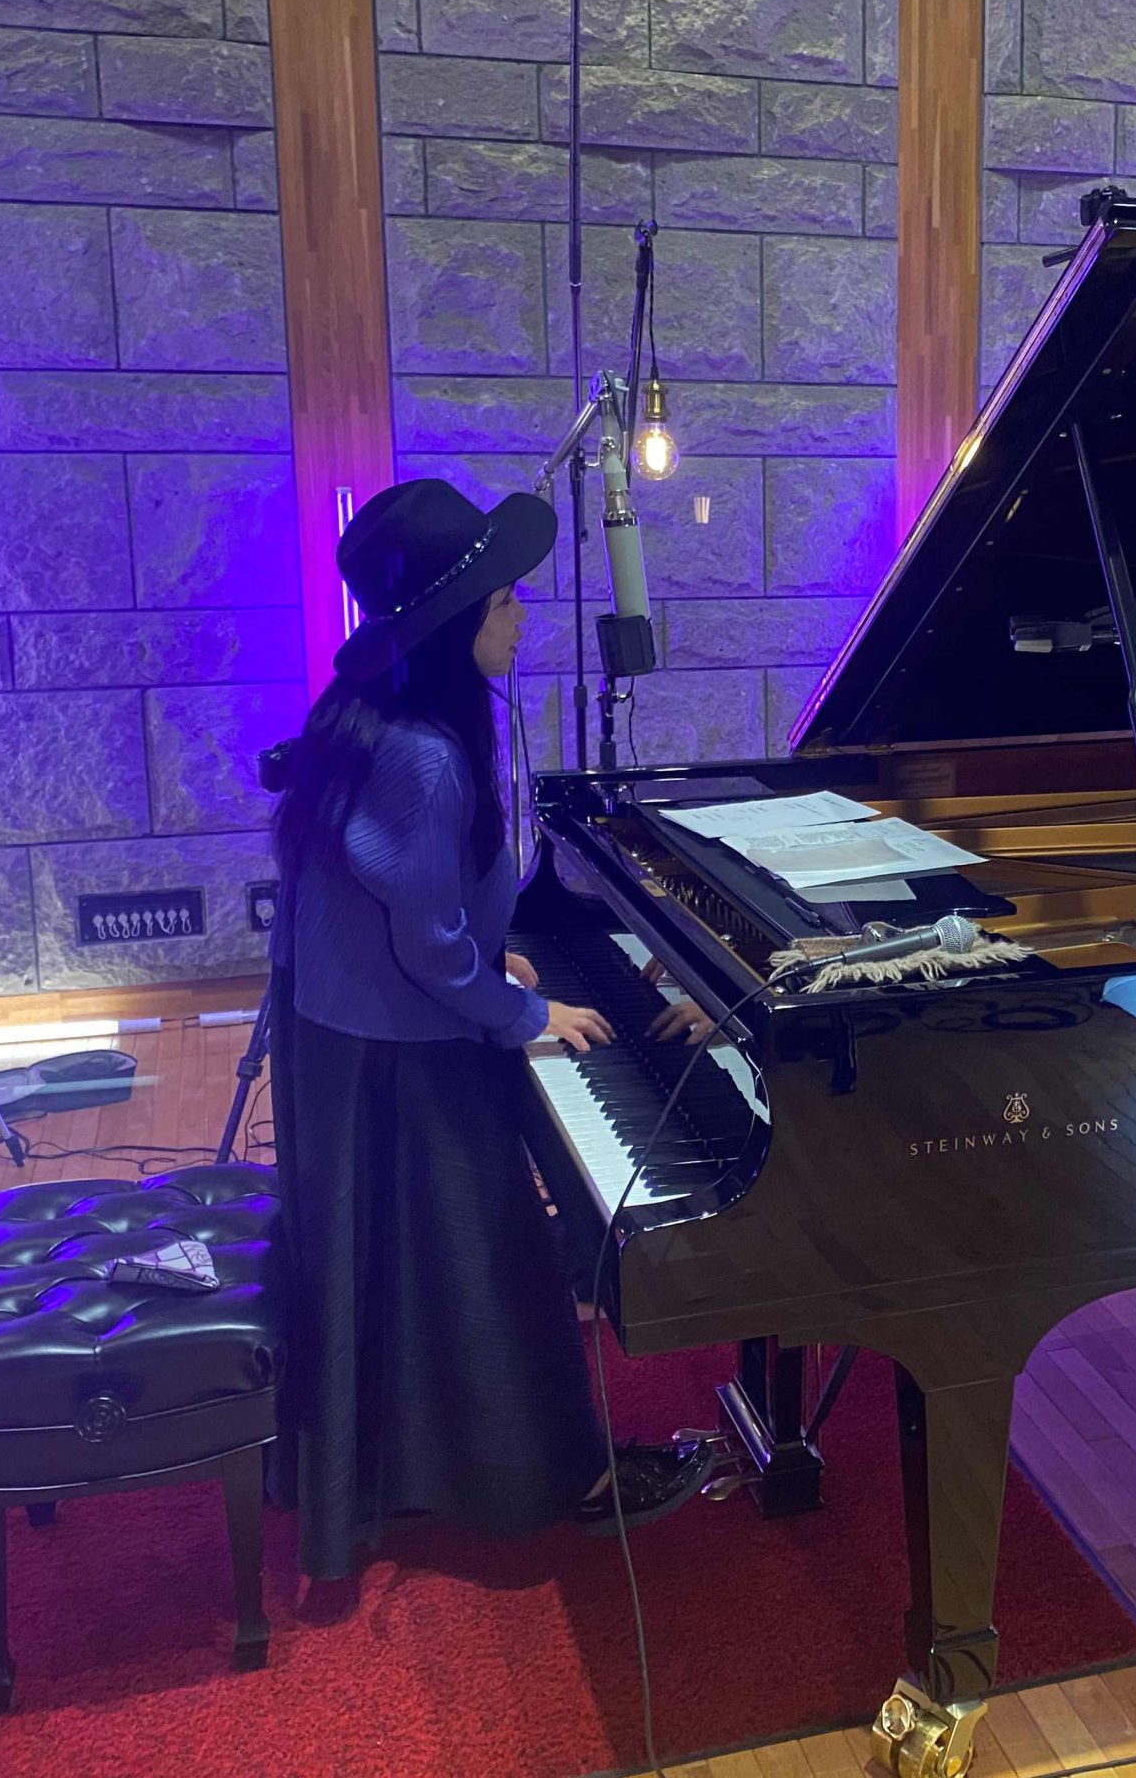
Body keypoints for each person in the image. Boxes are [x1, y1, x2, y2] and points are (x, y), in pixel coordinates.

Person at [268, 476, 710, 1582]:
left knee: (410, 1258)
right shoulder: (425, 756)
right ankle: (561, 1479)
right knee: (498, 1259)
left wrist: (483, 945)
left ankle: (400, 1471)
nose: (522, 617)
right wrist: (523, 1011)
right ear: (459, 620)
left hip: (345, 1038)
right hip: (393, 1049)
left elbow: (405, 908)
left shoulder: (369, 716)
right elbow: (426, 948)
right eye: (507, 601)